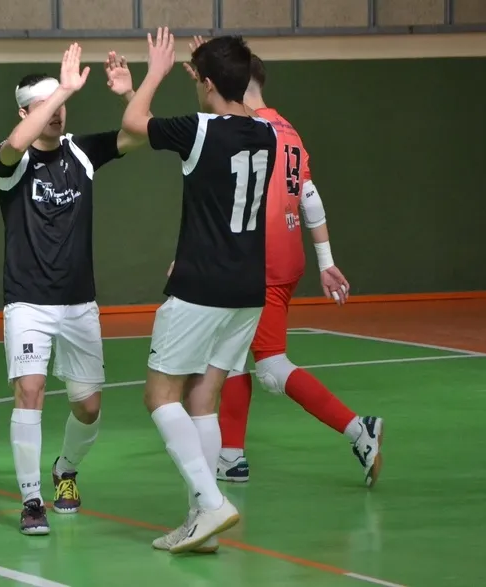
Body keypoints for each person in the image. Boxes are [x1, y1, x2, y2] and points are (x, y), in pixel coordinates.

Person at [185, 49, 384, 488]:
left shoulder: (248, 129)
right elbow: (309, 197)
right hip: (287, 258)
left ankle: (358, 428)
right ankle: (231, 456)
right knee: (231, 354)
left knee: (271, 366)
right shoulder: (288, 129)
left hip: (260, 263)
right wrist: (326, 262)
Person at [121, 28, 277, 554]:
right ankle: (200, 523)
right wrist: (215, 67)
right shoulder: (266, 133)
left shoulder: (200, 130)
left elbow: (134, 123)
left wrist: (155, 74)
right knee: (203, 398)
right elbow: (235, 101)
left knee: (160, 396)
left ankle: (210, 503)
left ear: (207, 83)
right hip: (247, 289)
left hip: (200, 286)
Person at [0, 43, 146, 536]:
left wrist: (129, 95)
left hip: (79, 301)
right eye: (45, 105)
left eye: (61, 104)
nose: (58, 112)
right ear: (25, 112)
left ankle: (65, 469)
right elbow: (14, 144)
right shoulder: (11, 161)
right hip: (27, 300)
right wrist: (62, 89)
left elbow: (139, 134)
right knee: (30, 391)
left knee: (88, 406)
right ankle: (31, 500)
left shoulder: (81, 152)